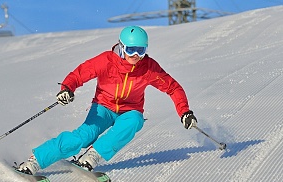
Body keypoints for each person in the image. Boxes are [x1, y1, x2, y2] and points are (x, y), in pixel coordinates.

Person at [17, 26, 197, 174]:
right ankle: (36, 160)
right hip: (103, 107)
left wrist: (185, 112)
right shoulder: (106, 61)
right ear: (122, 46)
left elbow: (173, 87)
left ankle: (93, 155)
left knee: (135, 120)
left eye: (141, 50)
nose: (136, 55)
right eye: (131, 50)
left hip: (129, 111)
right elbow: (79, 74)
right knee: (85, 135)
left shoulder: (149, 68)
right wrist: (67, 88)